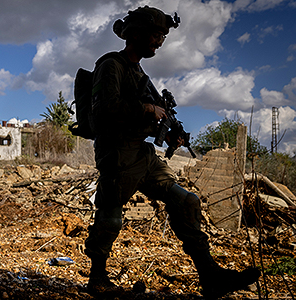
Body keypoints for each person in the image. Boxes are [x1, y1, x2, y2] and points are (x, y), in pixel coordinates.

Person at [84, 6, 260, 299]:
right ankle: (98, 278)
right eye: (155, 35)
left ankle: (210, 277)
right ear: (136, 33)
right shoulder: (111, 65)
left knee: (187, 202)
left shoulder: (140, 74)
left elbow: (147, 121)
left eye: (162, 37)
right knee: (110, 216)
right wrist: (148, 109)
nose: (159, 42)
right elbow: (103, 111)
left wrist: (168, 131)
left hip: (142, 154)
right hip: (116, 154)